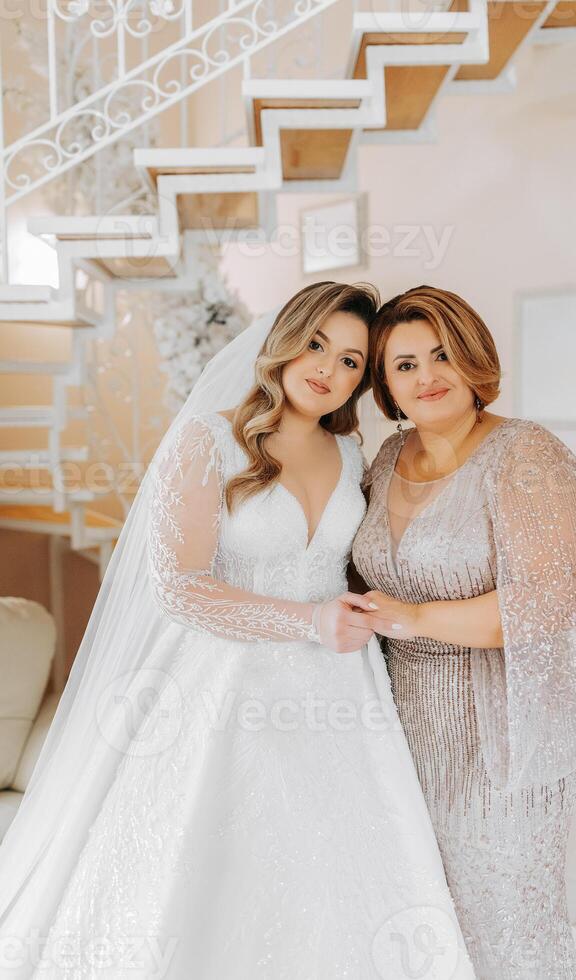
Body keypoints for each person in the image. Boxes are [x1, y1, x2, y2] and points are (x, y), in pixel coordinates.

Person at [0, 281, 475, 980]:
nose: (328, 369)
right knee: (211, 857)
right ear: (283, 340)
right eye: (317, 344)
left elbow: (345, 564)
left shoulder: (349, 455)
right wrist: (309, 621)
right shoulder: (207, 439)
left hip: (340, 690)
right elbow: (180, 585)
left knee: (337, 857)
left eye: (350, 360)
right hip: (220, 682)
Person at [351, 284, 576, 979]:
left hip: (500, 725)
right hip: (400, 723)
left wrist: (412, 617)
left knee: (507, 916)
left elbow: (549, 600)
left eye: (441, 355)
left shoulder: (523, 454)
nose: (426, 376)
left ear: (473, 360)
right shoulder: (388, 459)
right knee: (426, 908)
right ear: (386, 385)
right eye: (404, 365)